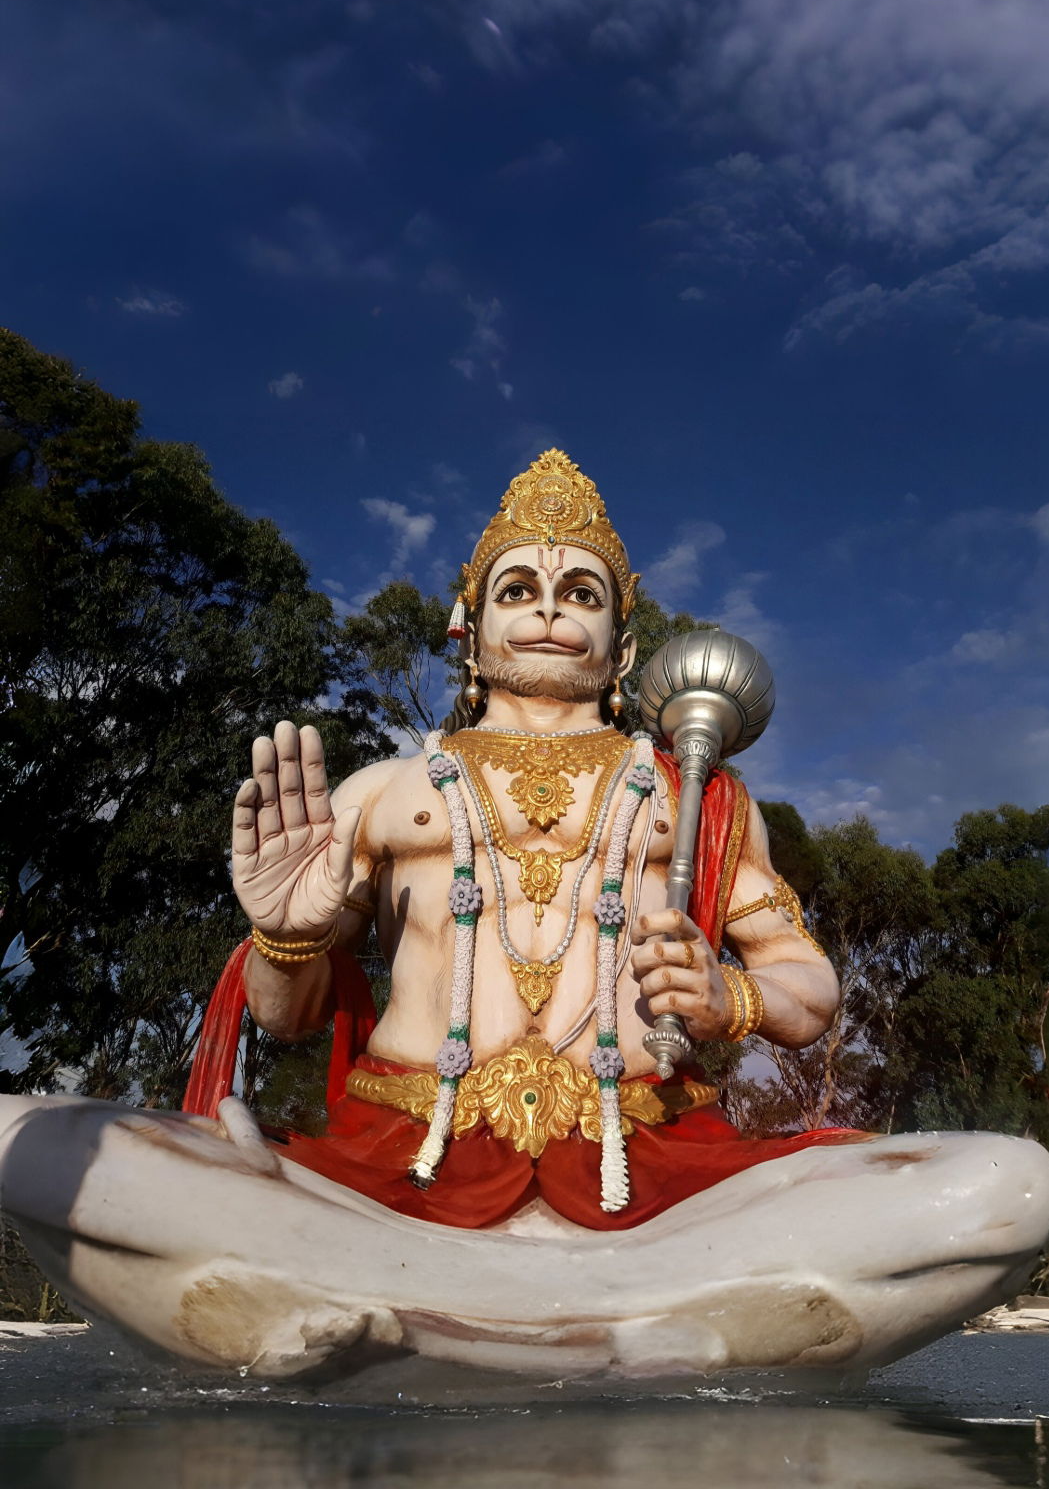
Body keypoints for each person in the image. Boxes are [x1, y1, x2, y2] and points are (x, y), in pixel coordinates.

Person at [230, 449, 855, 1231]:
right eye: (519, 590)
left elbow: (809, 984)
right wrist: (284, 943)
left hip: (651, 1150)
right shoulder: (382, 794)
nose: (550, 611)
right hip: (405, 1150)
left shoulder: (689, 799)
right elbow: (289, 1020)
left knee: (970, 1183)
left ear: (622, 647)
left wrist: (730, 996)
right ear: (473, 632)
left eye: (581, 594)